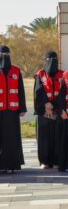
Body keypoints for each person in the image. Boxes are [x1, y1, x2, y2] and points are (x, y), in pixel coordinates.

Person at [34, 51, 63, 169]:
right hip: (43, 111)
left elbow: (63, 92)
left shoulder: (63, 75)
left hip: (57, 111)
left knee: (58, 137)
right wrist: (46, 104)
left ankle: (57, 160)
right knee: (44, 138)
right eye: (49, 59)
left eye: (54, 59)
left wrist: (54, 106)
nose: (51, 62)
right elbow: (38, 91)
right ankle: (44, 161)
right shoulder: (40, 75)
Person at [0, 45, 26, 173]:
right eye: (2, 54)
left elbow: (20, 90)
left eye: (7, 54)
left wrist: (22, 108)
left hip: (12, 111)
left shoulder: (16, 71)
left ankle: (11, 165)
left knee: (11, 138)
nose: (5, 57)